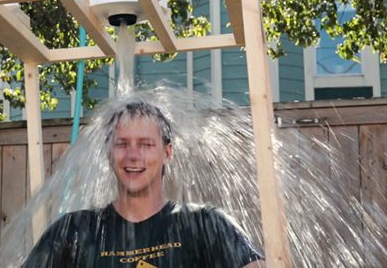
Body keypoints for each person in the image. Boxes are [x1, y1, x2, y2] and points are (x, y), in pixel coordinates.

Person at [22, 100, 265, 268]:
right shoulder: (74, 230)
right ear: (108, 152)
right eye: (122, 144)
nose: (133, 155)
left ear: (167, 152)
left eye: (146, 145)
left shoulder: (205, 224)